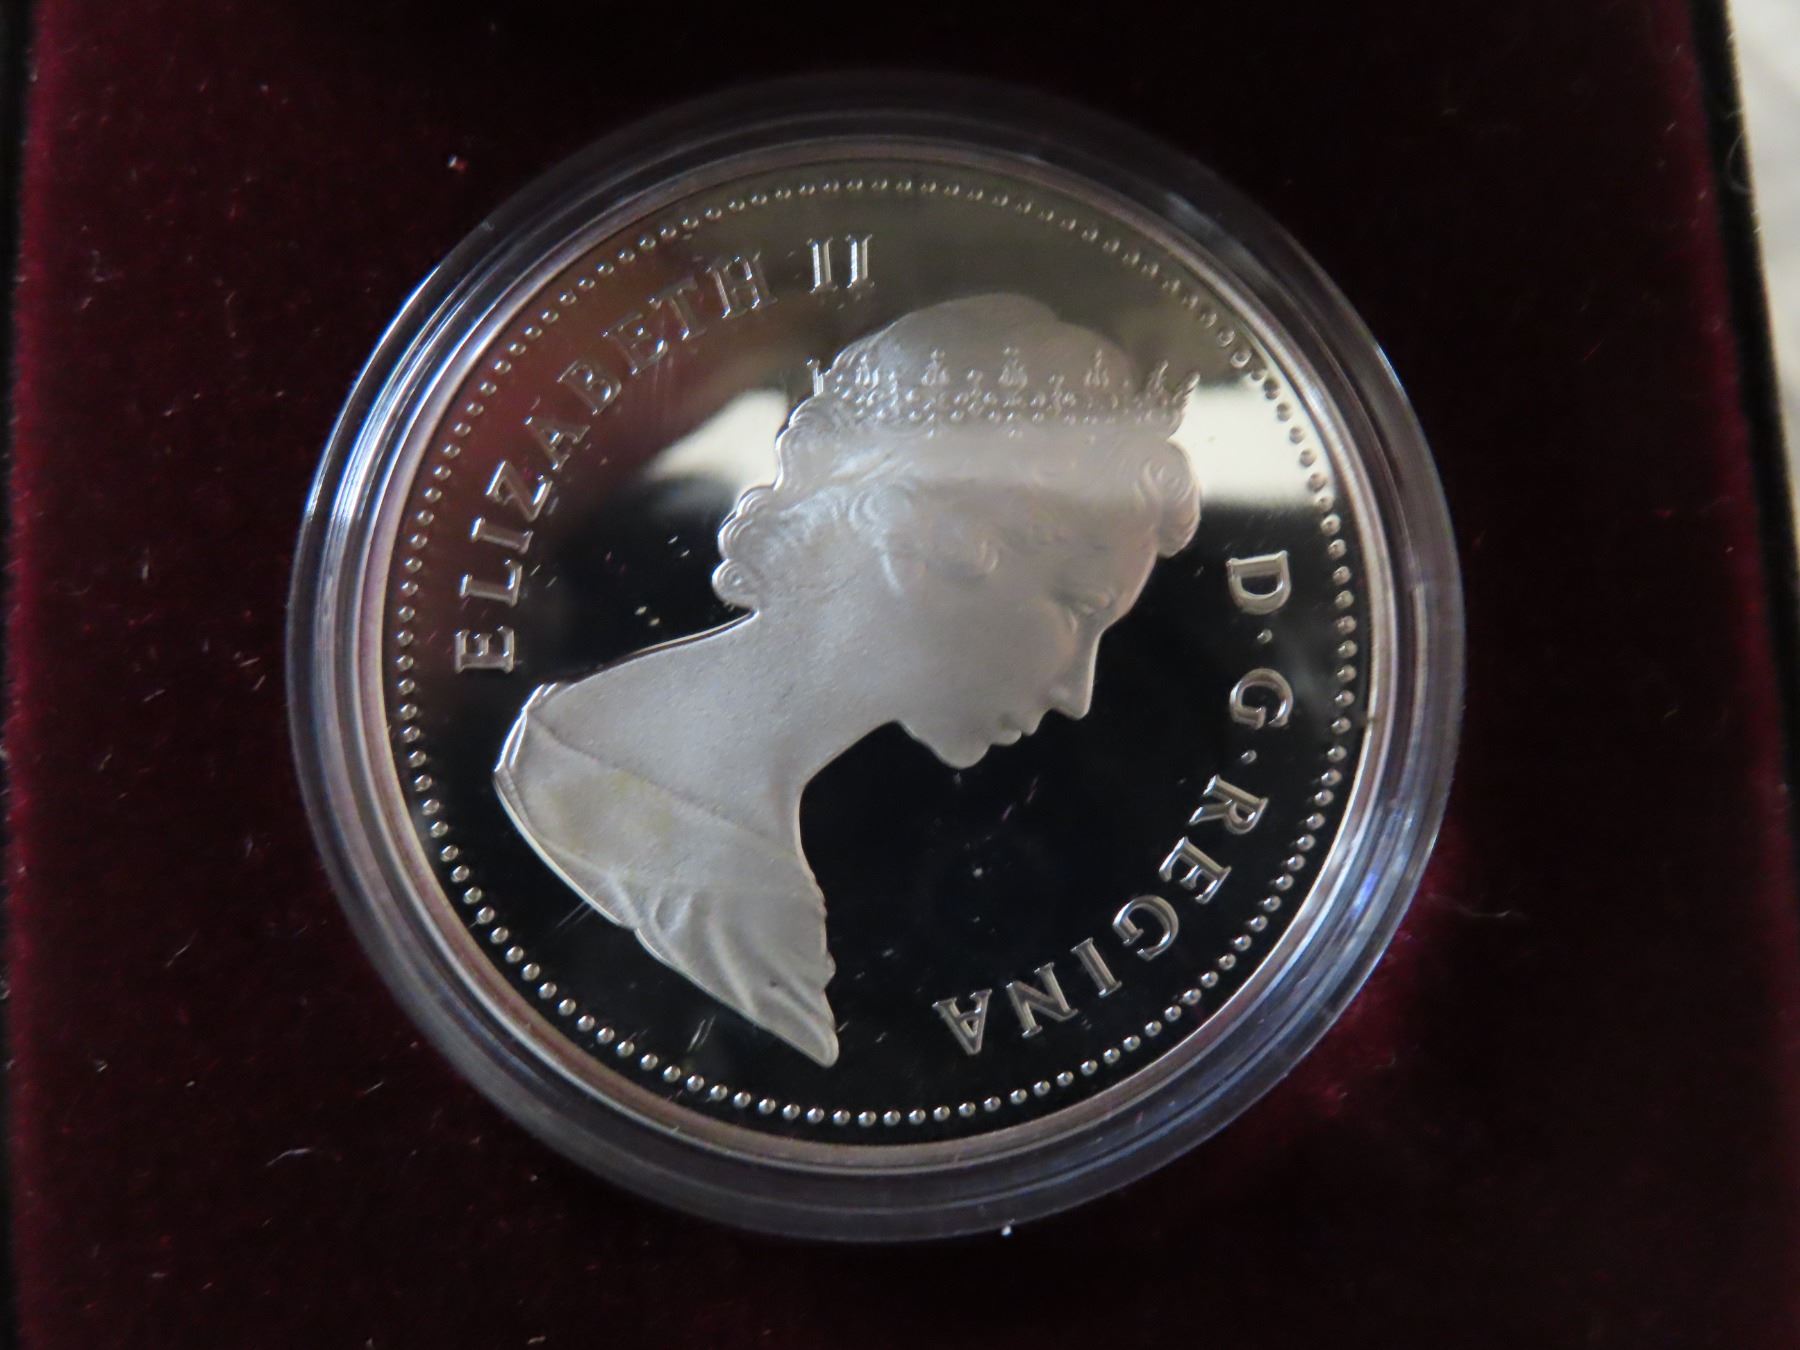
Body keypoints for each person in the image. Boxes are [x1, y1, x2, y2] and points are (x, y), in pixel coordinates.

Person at [494, 294, 1200, 1067]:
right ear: (931, 541)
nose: (1079, 692)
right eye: (1079, 608)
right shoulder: (663, 827)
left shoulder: (691, 817)